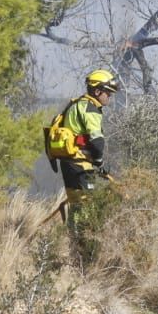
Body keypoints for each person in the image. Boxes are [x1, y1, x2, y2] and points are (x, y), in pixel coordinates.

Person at [48, 68, 120, 232]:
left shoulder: (75, 104)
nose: (109, 96)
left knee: (77, 204)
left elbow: (78, 137)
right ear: (97, 91)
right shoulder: (90, 108)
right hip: (80, 166)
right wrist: (99, 160)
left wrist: (96, 163)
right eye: (107, 93)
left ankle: (73, 242)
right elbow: (96, 142)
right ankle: (83, 243)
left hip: (68, 164)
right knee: (87, 205)